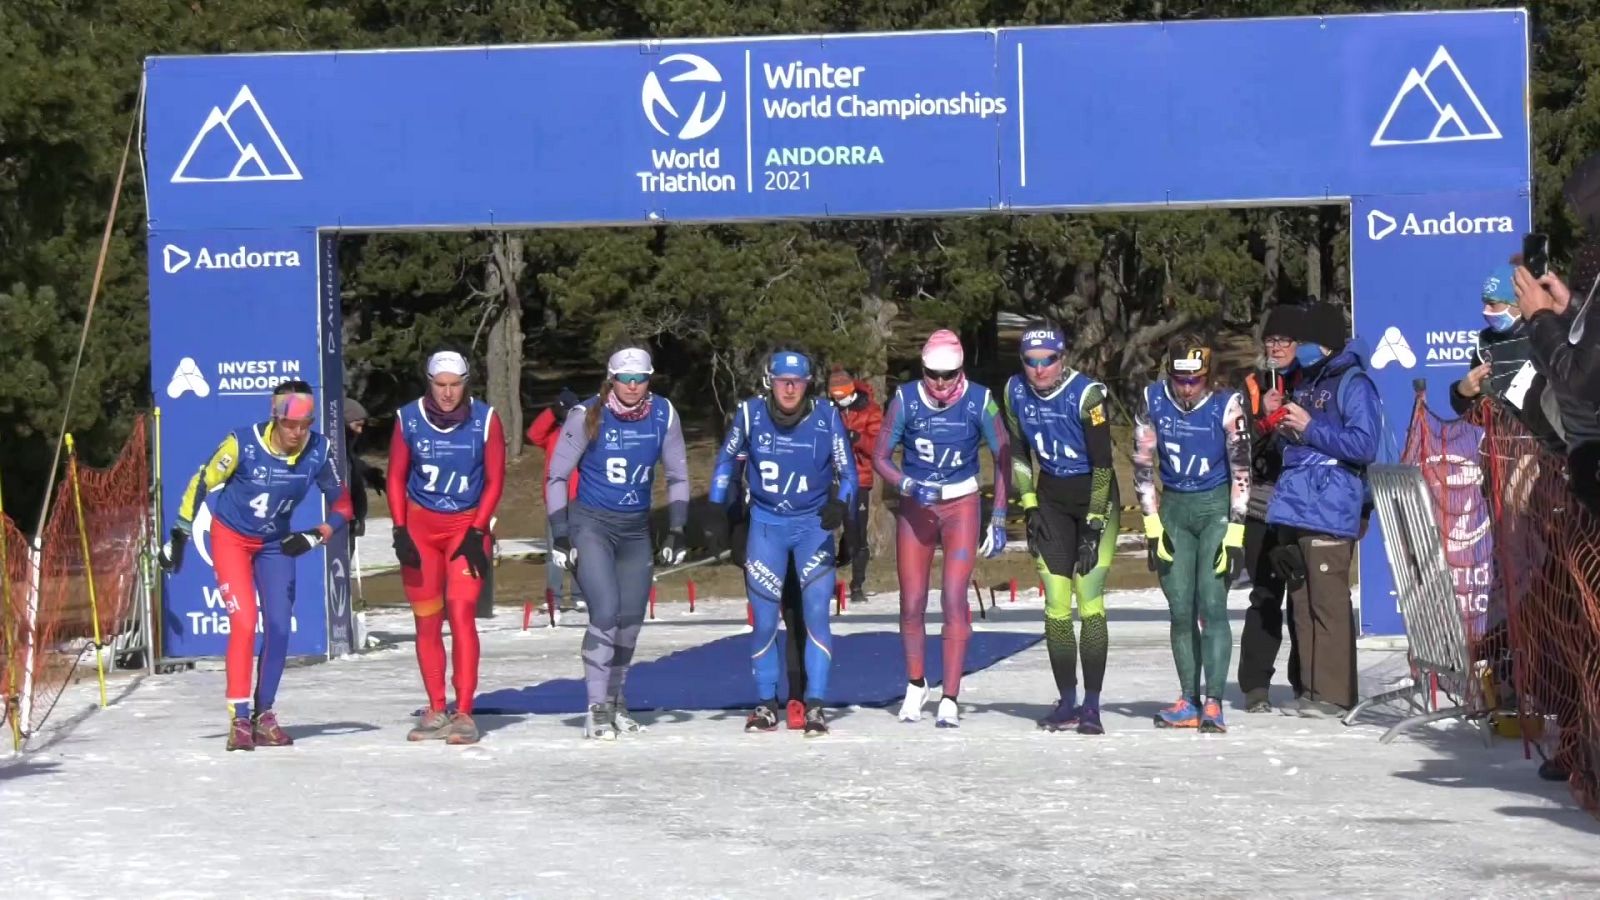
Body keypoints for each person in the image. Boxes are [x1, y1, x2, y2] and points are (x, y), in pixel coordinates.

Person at [160, 380, 353, 751]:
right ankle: (239, 717)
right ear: (275, 416)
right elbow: (202, 481)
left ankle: (264, 714)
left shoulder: (318, 450)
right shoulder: (243, 443)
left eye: (305, 424)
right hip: (232, 538)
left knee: (279, 627)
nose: (297, 433)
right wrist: (180, 533)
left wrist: (318, 534)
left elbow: (343, 504)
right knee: (245, 621)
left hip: (275, 544)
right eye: (290, 424)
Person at [708, 349, 857, 736]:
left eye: (797, 382)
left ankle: (815, 704)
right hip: (766, 527)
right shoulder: (750, 414)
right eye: (782, 381)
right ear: (769, 382)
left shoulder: (826, 416)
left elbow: (849, 473)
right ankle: (765, 703)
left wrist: (840, 506)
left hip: (812, 528)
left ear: (808, 384)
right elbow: (726, 463)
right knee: (763, 621)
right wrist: (721, 514)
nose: (789, 389)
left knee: (816, 615)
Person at [545, 346, 690, 740]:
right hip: (592, 525)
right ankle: (596, 707)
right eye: (625, 379)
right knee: (606, 612)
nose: (632, 386)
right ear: (611, 380)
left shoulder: (663, 413)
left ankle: (615, 700)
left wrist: (678, 528)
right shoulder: (586, 414)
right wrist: (560, 532)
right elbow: (557, 476)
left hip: (635, 530)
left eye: (640, 378)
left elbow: (678, 476)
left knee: (630, 621)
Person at [874, 329, 1010, 728]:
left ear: (961, 371)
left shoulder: (980, 400)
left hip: (961, 504)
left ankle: (950, 694)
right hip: (917, 505)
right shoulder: (906, 398)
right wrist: (905, 484)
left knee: (953, 597)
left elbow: (1003, 455)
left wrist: (999, 515)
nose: (939, 383)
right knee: (912, 600)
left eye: (948, 375)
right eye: (932, 374)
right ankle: (916, 683)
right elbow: (880, 456)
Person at [1001, 324, 1119, 734]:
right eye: (1030, 362)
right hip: (1051, 497)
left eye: (1047, 361)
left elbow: (1103, 465)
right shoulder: (1014, 391)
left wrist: (1094, 526)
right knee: (1055, 604)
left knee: (1089, 600)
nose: (1039, 370)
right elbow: (1019, 453)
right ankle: (1067, 700)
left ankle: (1092, 705)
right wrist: (1029, 504)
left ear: (1062, 358)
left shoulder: (1088, 395)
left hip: (1094, 498)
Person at [1266, 303, 1381, 717]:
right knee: (1301, 602)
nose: (1300, 349)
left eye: (1307, 341)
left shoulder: (1354, 383)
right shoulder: (1306, 380)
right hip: (1296, 504)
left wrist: (1310, 427)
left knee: (1329, 602)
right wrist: (1283, 427)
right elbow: (1299, 443)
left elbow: (1364, 445)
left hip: (1331, 503)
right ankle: (1311, 690)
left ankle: (1334, 694)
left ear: (1327, 343)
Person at [387, 351, 507, 746]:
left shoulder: (485, 419)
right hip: (421, 527)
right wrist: (400, 529)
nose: (448, 393)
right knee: (426, 619)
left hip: (465, 528)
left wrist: (478, 529)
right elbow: (396, 476)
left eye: (455, 385)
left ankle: (465, 711)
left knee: (460, 613)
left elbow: (495, 479)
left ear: (466, 383)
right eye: (440, 385)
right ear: (429, 383)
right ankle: (436, 707)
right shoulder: (408, 418)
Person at [1135, 338, 1251, 733]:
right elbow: (1142, 464)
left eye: (1195, 380)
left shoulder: (1227, 404)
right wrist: (1152, 525)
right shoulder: (1152, 399)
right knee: (1180, 607)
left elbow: (1241, 469)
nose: (1186, 389)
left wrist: (1236, 529)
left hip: (1214, 505)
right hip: (1174, 508)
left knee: (1212, 603)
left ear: (1208, 377)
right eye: (1180, 380)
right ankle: (1189, 698)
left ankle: (1214, 701)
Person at [1235, 305, 1309, 713]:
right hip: (1262, 506)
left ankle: (1306, 682)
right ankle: (1255, 686)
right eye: (1271, 340)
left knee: (1303, 597)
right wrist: (1262, 417)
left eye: (1284, 341)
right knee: (1264, 595)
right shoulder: (1251, 384)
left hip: (1302, 505)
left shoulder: (1311, 378)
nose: (1276, 348)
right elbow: (1236, 446)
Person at [726, 455, 814, 731]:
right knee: (764, 620)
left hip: (799, 530)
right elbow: (731, 478)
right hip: (758, 532)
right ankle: (768, 702)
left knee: (796, 614)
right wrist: (733, 528)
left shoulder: (808, 430)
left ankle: (798, 697)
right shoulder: (746, 431)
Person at [1451, 266, 1563, 453]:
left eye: (1492, 304)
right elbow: (1477, 416)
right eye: (1484, 303)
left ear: (1516, 303)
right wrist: (1462, 394)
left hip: (1547, 452)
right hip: (1500, 452)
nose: (1485, 310)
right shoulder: (1485, 342)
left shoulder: (1546, 334)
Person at [827, 366, 884, 606]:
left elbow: (878, 448)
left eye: (842, 396)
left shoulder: (870, 411)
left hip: (858, 479)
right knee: (823, 530)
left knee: (856, 535)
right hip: (830, 479)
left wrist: (857, 438)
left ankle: (857, 584)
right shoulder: (828, 410)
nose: (838, 401)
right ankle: (825, 583)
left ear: (851, 392)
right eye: (834, 397)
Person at [527, 388, 585, 611]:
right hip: (556, 502)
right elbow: (534, 434)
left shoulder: (584, 434)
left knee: (580, 549)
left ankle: (580, 594)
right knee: (555, 552)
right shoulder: (554, 434)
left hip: (580, 500)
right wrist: (551, 412)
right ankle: (554, 597)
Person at [343, 396, 373, 554]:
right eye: (357, 425)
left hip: (351, 520)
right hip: (339, 522)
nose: (360, 431)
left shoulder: (349, 453)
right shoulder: (334, 454)